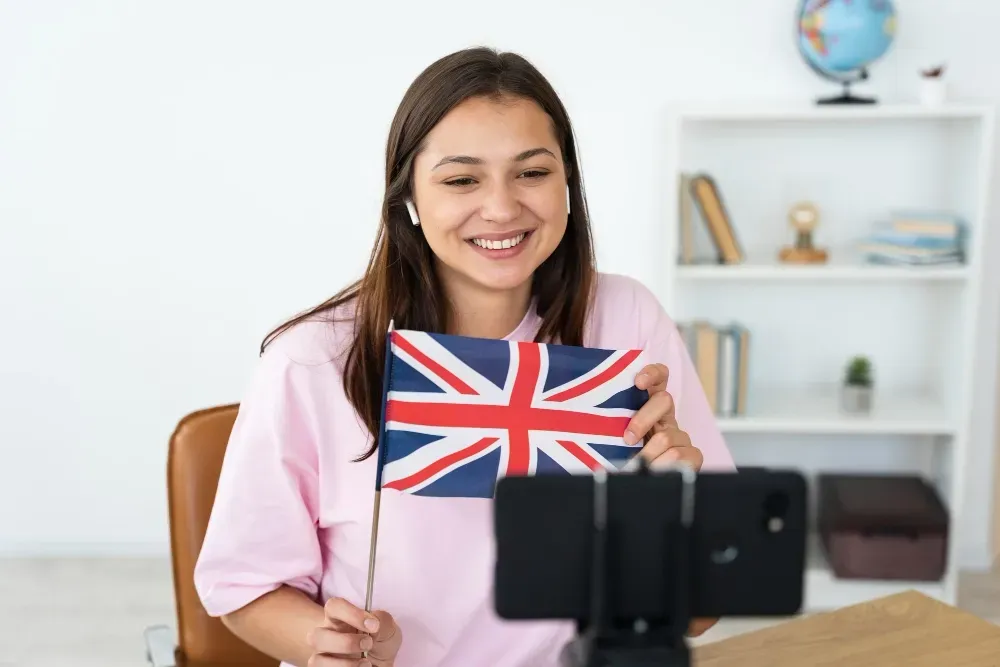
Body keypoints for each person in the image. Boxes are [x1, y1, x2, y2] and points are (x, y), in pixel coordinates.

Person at [193, 46, 735, 667]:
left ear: (568, 184)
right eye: (460, 179)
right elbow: (244, 585)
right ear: (410, 200)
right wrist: (327, 643)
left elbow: (700, 611)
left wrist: (674, 512)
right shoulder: (313, 360)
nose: (503, 208)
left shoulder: (628, 321)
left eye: (533, 173)